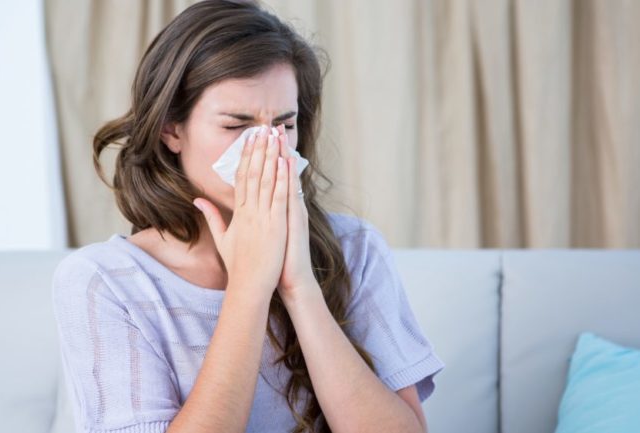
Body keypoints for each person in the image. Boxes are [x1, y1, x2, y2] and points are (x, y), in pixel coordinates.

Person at [51, 1, 445, 432]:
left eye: (284, 123)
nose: (266, 147)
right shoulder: (103, 282)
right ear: (171, 129)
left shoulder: (356, 248)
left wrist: (299, 287)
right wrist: (249, 286)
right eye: (236, 126)